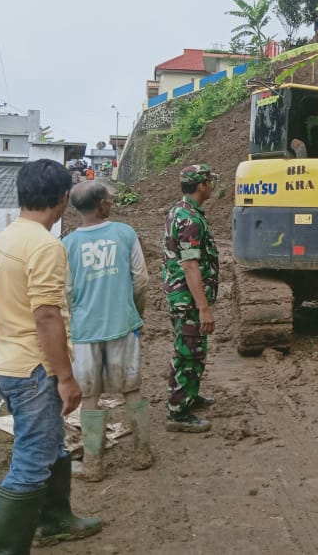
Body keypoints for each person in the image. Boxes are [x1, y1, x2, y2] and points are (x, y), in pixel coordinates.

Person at [0, 159, 102, 552]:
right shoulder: (44, 245)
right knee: (31, 463)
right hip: (32, 369)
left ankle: (56, 520)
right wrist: (66, 378)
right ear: (63, 198)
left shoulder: (8, 237)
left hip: (7, 361)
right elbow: (47, 316)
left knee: (50, 446)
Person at [62, 181, 152, 481]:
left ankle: (93, 464)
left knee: (90, 396)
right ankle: (142, 453)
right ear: (102, 204)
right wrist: (135, 312)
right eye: (108, 199)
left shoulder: (68, 245)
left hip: (86, 331)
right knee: (131, 389)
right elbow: (140, 279)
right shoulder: (125, 234)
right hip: (123, 325)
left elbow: (67, 291)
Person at [162, 164, 220, 433]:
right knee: (188, 352)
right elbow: (190, 266)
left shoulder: (181, 211)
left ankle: (189, 394)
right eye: (209, 180)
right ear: (201, 186)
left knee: (194, 350)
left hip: (183, 296)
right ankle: (178, 412)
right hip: (188, 299)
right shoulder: (190, 220)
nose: (212, 184)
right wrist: (203, 307)